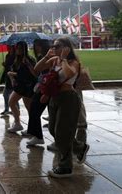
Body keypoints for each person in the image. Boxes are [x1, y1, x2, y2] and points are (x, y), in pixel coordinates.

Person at [34, 37, 89, 178]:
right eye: (53, 45)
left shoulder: (73, 62)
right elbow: (37, 69)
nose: (54, 48)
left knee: (63, 132)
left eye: (57, 46)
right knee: (53, 129)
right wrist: (47, 56)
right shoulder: (54, 61)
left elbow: (70, 73)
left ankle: (65, 167)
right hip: (54, 98)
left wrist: (63, 59)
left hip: (68, 99)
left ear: (66, 48)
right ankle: (80, 147)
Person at [6, 41, 37, 133]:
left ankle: (20, 124)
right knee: (26, 107)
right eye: (17, 48)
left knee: (12, 102)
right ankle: (21, 124)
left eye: (20, 48)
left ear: (24, 49)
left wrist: (11, 73)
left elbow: (27, 74)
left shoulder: (28, 60)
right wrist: (11, 75)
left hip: (26, 86)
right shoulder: (18, 59)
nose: (17, 50)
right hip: (21, 85)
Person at [25, 39, 51, 146]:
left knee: (34, 111)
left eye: (37, 45)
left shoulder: (46, 57)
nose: (35, 48)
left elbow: (40, 72)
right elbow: (37, 73)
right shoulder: (43, 57)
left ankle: (38, 136)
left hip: (45, 88)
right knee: (34, 110)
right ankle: (35, 134)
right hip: (42, 87)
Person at [0, 45, 16, 117]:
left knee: (9, 95)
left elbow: (12, 67)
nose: (9, 48)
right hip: (8, 77)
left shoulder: (15, 57)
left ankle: (12, 109)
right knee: (10, 94)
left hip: (12, 77)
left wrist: (6, 65)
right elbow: (7, 67)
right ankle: (9, 109)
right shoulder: (8, 55)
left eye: (10, 47)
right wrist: (5, 65)